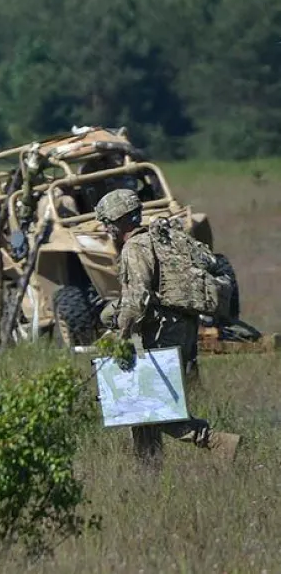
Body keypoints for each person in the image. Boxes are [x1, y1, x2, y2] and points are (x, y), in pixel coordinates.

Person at [95, 189, 239, 466]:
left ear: (118, 221)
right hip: (180, 326)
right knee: (139, 405)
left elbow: (137, 300)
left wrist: (120, 337)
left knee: (151, 405)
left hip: (162, 330)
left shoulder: (135, 248)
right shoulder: (160, 238)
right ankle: (149, 468)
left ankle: (216, 441)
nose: (106, 229)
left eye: (107, 223)